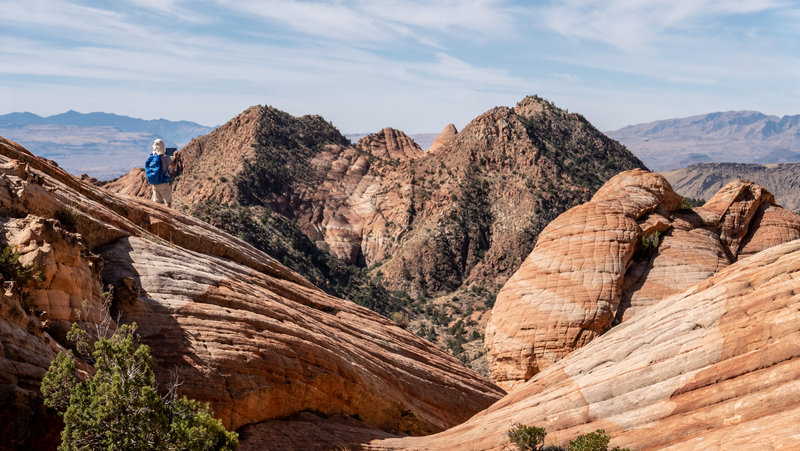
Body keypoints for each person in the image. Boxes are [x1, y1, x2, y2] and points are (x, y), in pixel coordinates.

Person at [147, 139, 177, 207]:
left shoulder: (151, 156)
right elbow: (173, 165)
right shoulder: (165, 157)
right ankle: (168, 215)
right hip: (163, 182)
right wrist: (175, 157)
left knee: (157, 202)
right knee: (168, 202)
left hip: (154, 182)